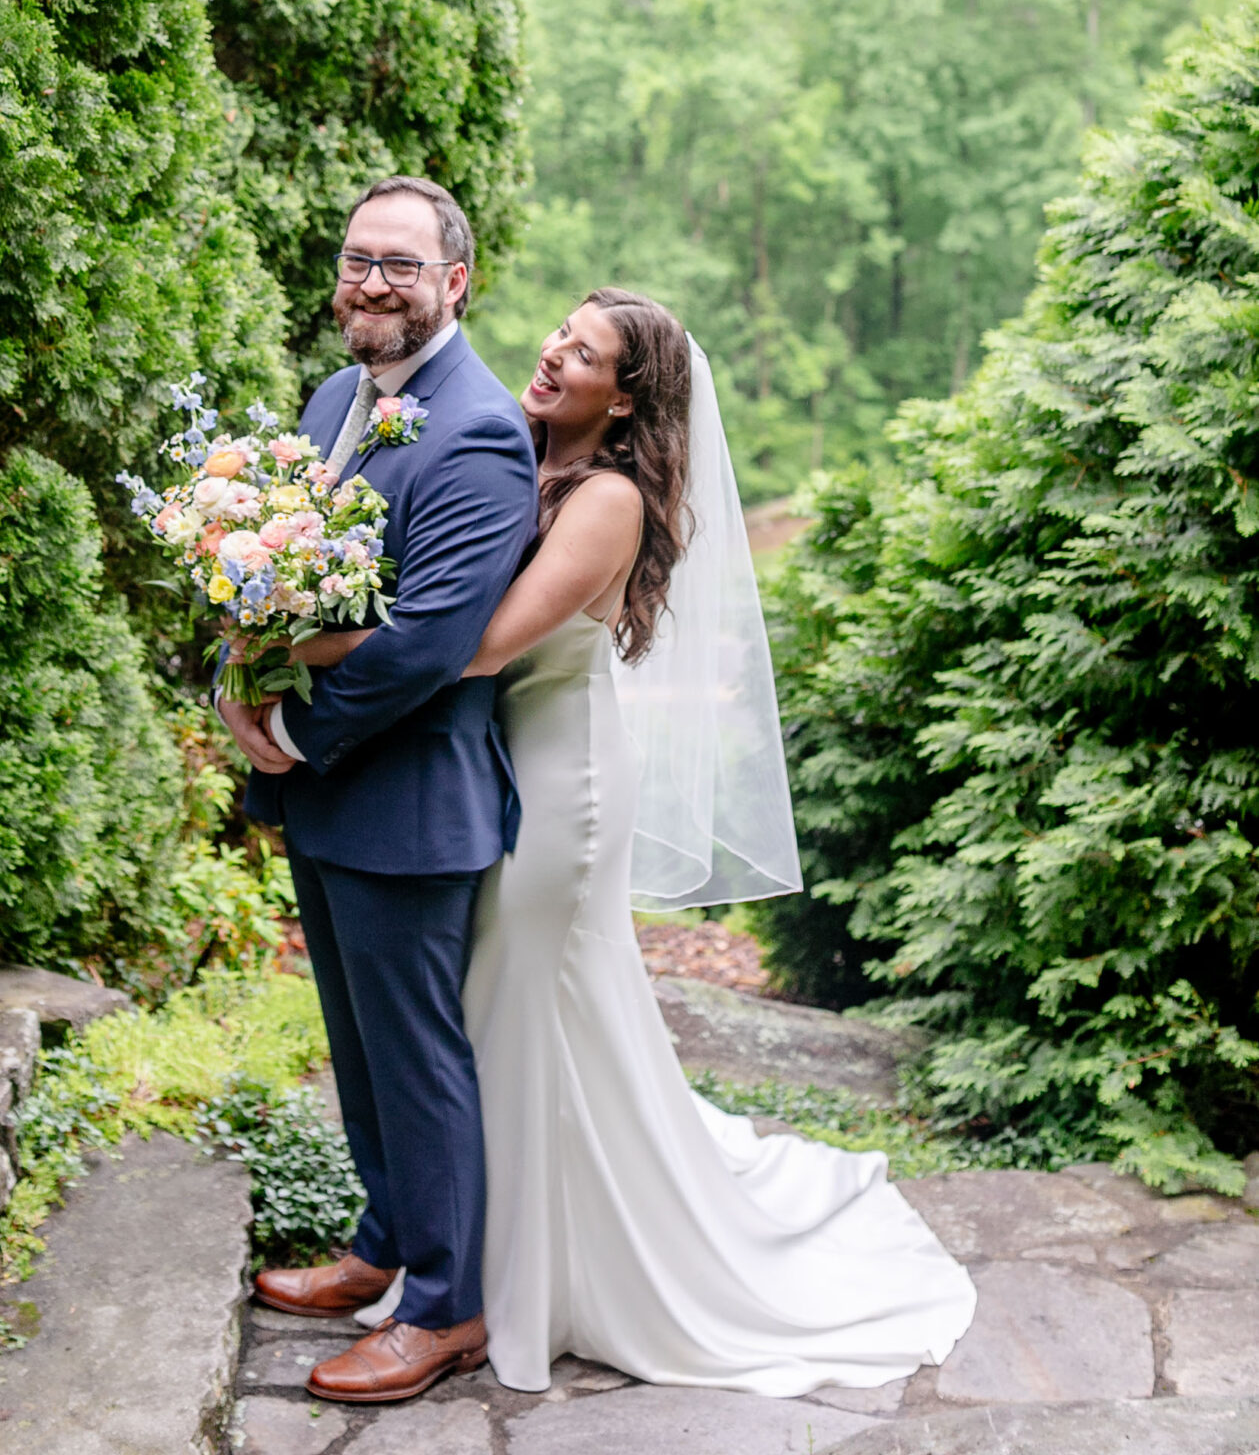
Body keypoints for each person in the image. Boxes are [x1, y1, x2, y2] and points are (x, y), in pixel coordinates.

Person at [314, 288, 976, 1399]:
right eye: (561, 335)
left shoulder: (610, 497)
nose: (555, 354)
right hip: (482, 769)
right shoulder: (506, 447)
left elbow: (477, 646)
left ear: (626, 397)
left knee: (514, 1004)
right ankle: (460, 1258)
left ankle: (499, 1290)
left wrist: (324, 642)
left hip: (557, 776)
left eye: (586, 354)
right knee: (490, 1012)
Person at [219, 176, 538, 1406]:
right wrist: (230, 677)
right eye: (359, 259)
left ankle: (447, 1309)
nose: (373, 282)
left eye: (401, 264)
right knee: (355, 1048)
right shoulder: (336, 396)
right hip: (331, 791)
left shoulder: (478, 428)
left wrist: (292, 728)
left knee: (416, 1057)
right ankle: (380, 1244)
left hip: (408, 795)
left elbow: (425, 639)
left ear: (455, 281)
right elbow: (263, 565)